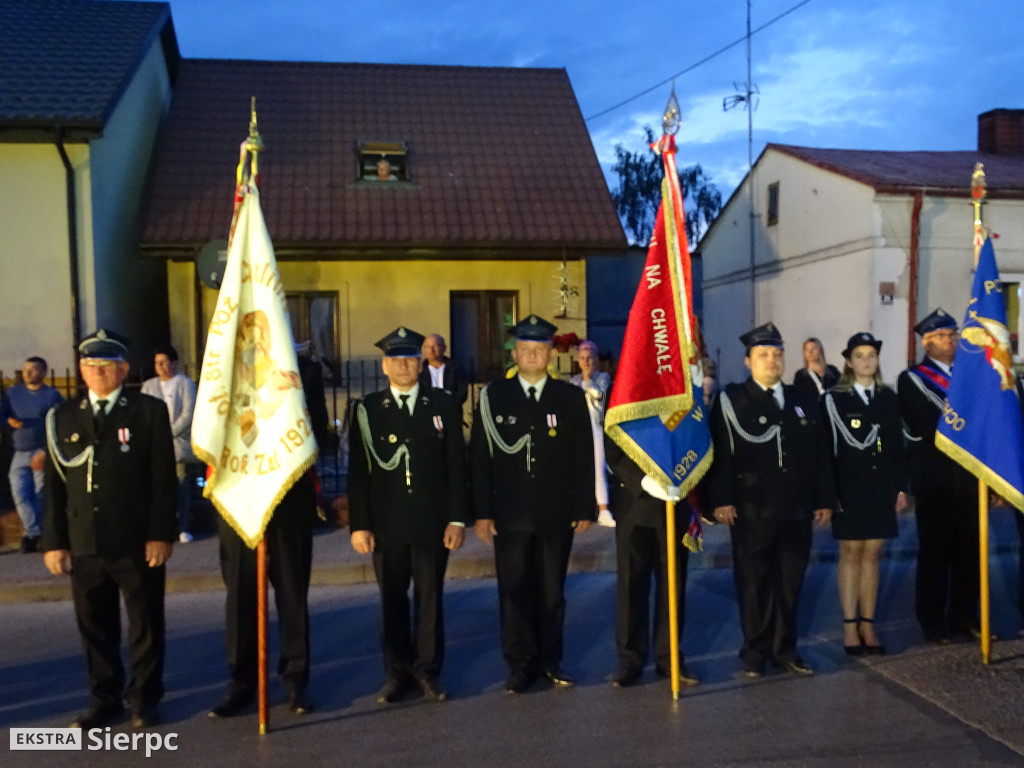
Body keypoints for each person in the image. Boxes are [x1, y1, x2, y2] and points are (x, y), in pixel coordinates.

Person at [41, 329, 177, 729]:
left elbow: (163, 479)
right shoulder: (62, 416)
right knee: (95, 627)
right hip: (85, 540)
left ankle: (144, 698)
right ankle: (105, 700)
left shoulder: (148, 411)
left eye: (106, 366)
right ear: (81, 371)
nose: (97, 372)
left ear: (123, 370)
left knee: (145, 624)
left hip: (136, 538)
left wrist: (160, 533)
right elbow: (53, 486)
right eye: (90, 366)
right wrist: (55, 542)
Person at [470, 314, 595, 694]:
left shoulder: (570, 398)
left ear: (549, 356)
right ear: (515, 355)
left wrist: (584, 507)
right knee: (515, 591)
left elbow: (582, 456)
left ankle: (551, 660)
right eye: (525, 350)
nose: (532, 356)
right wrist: (482, 512)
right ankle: (520, 664)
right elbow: (480, 457)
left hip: (556, 512)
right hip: (509, 514)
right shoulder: (494, 397)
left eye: (539, 350)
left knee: (552, 592)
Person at [349, 326, 469, 704]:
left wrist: (457, 518)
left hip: (433, 522)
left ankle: (428, 671)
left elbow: (456, 466)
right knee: (392, 602)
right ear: (385, 366)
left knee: (431, 599)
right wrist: (361, 525)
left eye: (410, 359)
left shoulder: (444, 405)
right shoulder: (368, 410)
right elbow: (359, 472)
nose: (403, 366)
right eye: (396, 359)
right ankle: (397, 673)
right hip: (387, 524)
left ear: (421, 364)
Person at [708, 322, 835, 677]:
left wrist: (824, 498)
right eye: (763, 355)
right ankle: (755, 650)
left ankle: (786, 649)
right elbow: (720, 455)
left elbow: (820, 453)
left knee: (791, 581)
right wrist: (721, 499)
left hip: (796, 508)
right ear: (748, 361)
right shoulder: (732, 400)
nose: (772, 361)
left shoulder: (803, 399)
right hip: (751, 509)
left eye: (777, 354)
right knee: (753, 582)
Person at [820, 332, 908, 655]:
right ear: (848, 361)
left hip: (880, 486)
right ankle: (848, 627)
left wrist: (900, 487)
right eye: (859, 355)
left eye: (871, 355)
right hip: (848, 487)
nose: (867, 361)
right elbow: (825, 452)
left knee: (873, 554)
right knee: (851, 552)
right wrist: (829, 495)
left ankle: (868, 625)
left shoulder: (888, 398)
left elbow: (896, 447)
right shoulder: (834, 400)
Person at [898, 308, 981, 643]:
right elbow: (925, 425)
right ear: (927, 343)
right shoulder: (913, 378)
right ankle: (931, 620)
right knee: (935, 553)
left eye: (953, 335)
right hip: (935, 478)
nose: (950, 341)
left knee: (969, 553)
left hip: (970, 477)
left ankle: (963, 616)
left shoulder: (972, 375)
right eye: (942, 336)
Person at [604, 437, 699, 688]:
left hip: (675, 500)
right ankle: (630, 659)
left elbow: (694, 434)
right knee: (631, 583)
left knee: (673, 583)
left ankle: (669, 656)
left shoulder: (684, 395)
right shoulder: (625, 395)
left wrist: (683, 475)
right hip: (634, 503)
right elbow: (613, 440)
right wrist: (642, 479)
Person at [1, 356, 63, 552]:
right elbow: (2, 414)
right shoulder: (13, 393)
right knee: (20, 493)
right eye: (26, 369)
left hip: (41, 450)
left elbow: (61, 423)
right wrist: (9, 421)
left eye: (33, 369)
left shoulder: (51, 395)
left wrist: (46, 451)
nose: (27, 373)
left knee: (40, 493)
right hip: (19, 450)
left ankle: (44, 535)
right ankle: (32, 532)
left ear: (43, 373)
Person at [141, 345, 198, 543]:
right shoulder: (148, 386)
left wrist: (167, 433)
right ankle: (162, 526)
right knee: (158, 486)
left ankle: (183, 526)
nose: (163, 366)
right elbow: (144, 412)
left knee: (181, 484)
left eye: (167, 362)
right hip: (155, 444)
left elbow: (189, 413)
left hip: (178, 444)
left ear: (175, 362)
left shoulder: (185, 383)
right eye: (159, 363)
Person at [569, 340, 615, 527]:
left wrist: (587, 381)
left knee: (598, 469)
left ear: (596, 359)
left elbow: (598, 394)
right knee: (576, 471)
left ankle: (603, 509)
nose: (587, 361)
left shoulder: (603, 378)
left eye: (590, 358)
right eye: (583, 358)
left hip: (596, 428)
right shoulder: (573, 381)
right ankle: (578, 510)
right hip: (578, 430)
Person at [418, 332, 469, 409]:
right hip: (426, 412)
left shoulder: (456, 368)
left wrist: (449, 404)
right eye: (428, 347)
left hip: (450, 412)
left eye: (436, 346)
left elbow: (462, 393)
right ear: (424, 349)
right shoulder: (419, 370)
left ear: (444, 348)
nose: (432, 350)